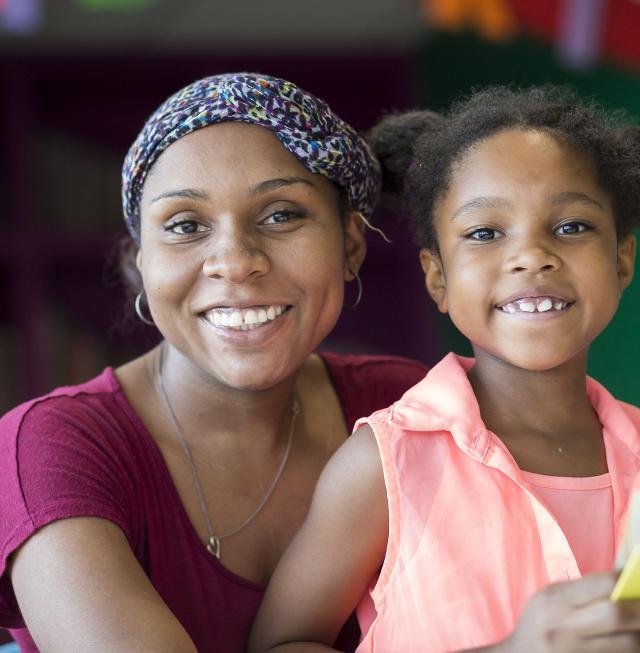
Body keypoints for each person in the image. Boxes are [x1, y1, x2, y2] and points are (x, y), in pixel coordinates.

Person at [249, 86, 640, 653]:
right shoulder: (387, 464)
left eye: (571, 227)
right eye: (485, 234)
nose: (530, 256)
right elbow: (280, 644)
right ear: (437, 278)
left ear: (621, 261)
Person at [0, 73, 427, 653]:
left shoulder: (412, 411)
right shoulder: (53, 448)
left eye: (281, 215)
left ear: (350, 245)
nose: (235, 261)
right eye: (185, 226)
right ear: (142, 263)